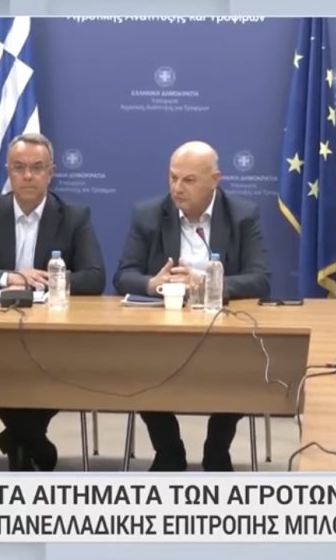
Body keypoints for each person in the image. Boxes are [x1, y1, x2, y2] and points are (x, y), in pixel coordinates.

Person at [0, 132, 106, 471]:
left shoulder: (74, 216)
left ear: (51, 172)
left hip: (54, 335)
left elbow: (94, 277)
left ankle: (19, 439)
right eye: (19, 167)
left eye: (37, 167)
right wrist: (10, 277)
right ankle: (34, 442)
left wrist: (47, 280)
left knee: (58, 368)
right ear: (8, 171)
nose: (28, 175)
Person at [113, 140, 270, 471]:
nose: (177, 188)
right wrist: (153, 284)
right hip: (162, 333)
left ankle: (217, 449)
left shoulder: (242, 215)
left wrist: (207, 283)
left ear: (215, 179)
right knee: (137, 365)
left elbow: (260, 279)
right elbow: (123, 275)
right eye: (172, 178)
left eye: (189, 180)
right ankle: (168, 449)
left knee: (242, 368)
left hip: (224, 332)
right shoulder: (148, 214)